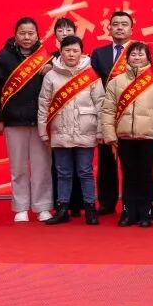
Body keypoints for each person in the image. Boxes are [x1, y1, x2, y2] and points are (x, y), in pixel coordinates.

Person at [0, 17, 54, 222]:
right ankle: (21, 207)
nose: (26, 37)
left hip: (40, 122)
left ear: (38, 35)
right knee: (18, 167)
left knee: (42, 167)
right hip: (14, 121)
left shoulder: (47, 58)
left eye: (31, 33)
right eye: (22, 33)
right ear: (15, 35)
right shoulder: (3, 57)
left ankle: (42, 206)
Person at [100, 42, 153, 228]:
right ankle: (127, 212)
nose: (137, 58)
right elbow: (108, 110)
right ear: (127, 58)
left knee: (145, 175)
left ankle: (146, 213)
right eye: (133, 54)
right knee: (128, 175)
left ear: (148, 58)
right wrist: (109, 134)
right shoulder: (116, 82)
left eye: (141, 54)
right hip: (124, 137)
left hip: (147, 137)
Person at [38, 35, 105, 225]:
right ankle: (62, 209)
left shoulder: (91, 74)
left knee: (85, 172)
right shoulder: (51, 76)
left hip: (86, 130)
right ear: (61, 52)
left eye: (75, 50)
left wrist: (101, 131)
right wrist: (43, 131)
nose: (71, 54)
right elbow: (43, 105)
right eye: (67, 50)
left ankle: (90, 208)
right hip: (60, 130)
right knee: (63, 173)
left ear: (82, 53)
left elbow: (101, 104)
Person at [89, 11, 134, 222]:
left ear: (131, 29)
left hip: (131, 114)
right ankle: (107, 203)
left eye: (124, 24)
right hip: (107, 113)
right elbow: (93, 84)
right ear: (109, 28)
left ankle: (131, 204)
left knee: (131, 163)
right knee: (107, 161)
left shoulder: (138, 51)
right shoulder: (99, 54)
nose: (120, 27)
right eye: (115, 24)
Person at [47, 18, 84, 217]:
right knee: (60, 166)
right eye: (60, 30)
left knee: (81, 167)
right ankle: (61, 204)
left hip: (81, 121)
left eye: (68, 29)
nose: (64, 33)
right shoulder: (48, 62)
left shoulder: (85, 60)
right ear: (55, 35)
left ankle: (79, 204)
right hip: (59, 121)